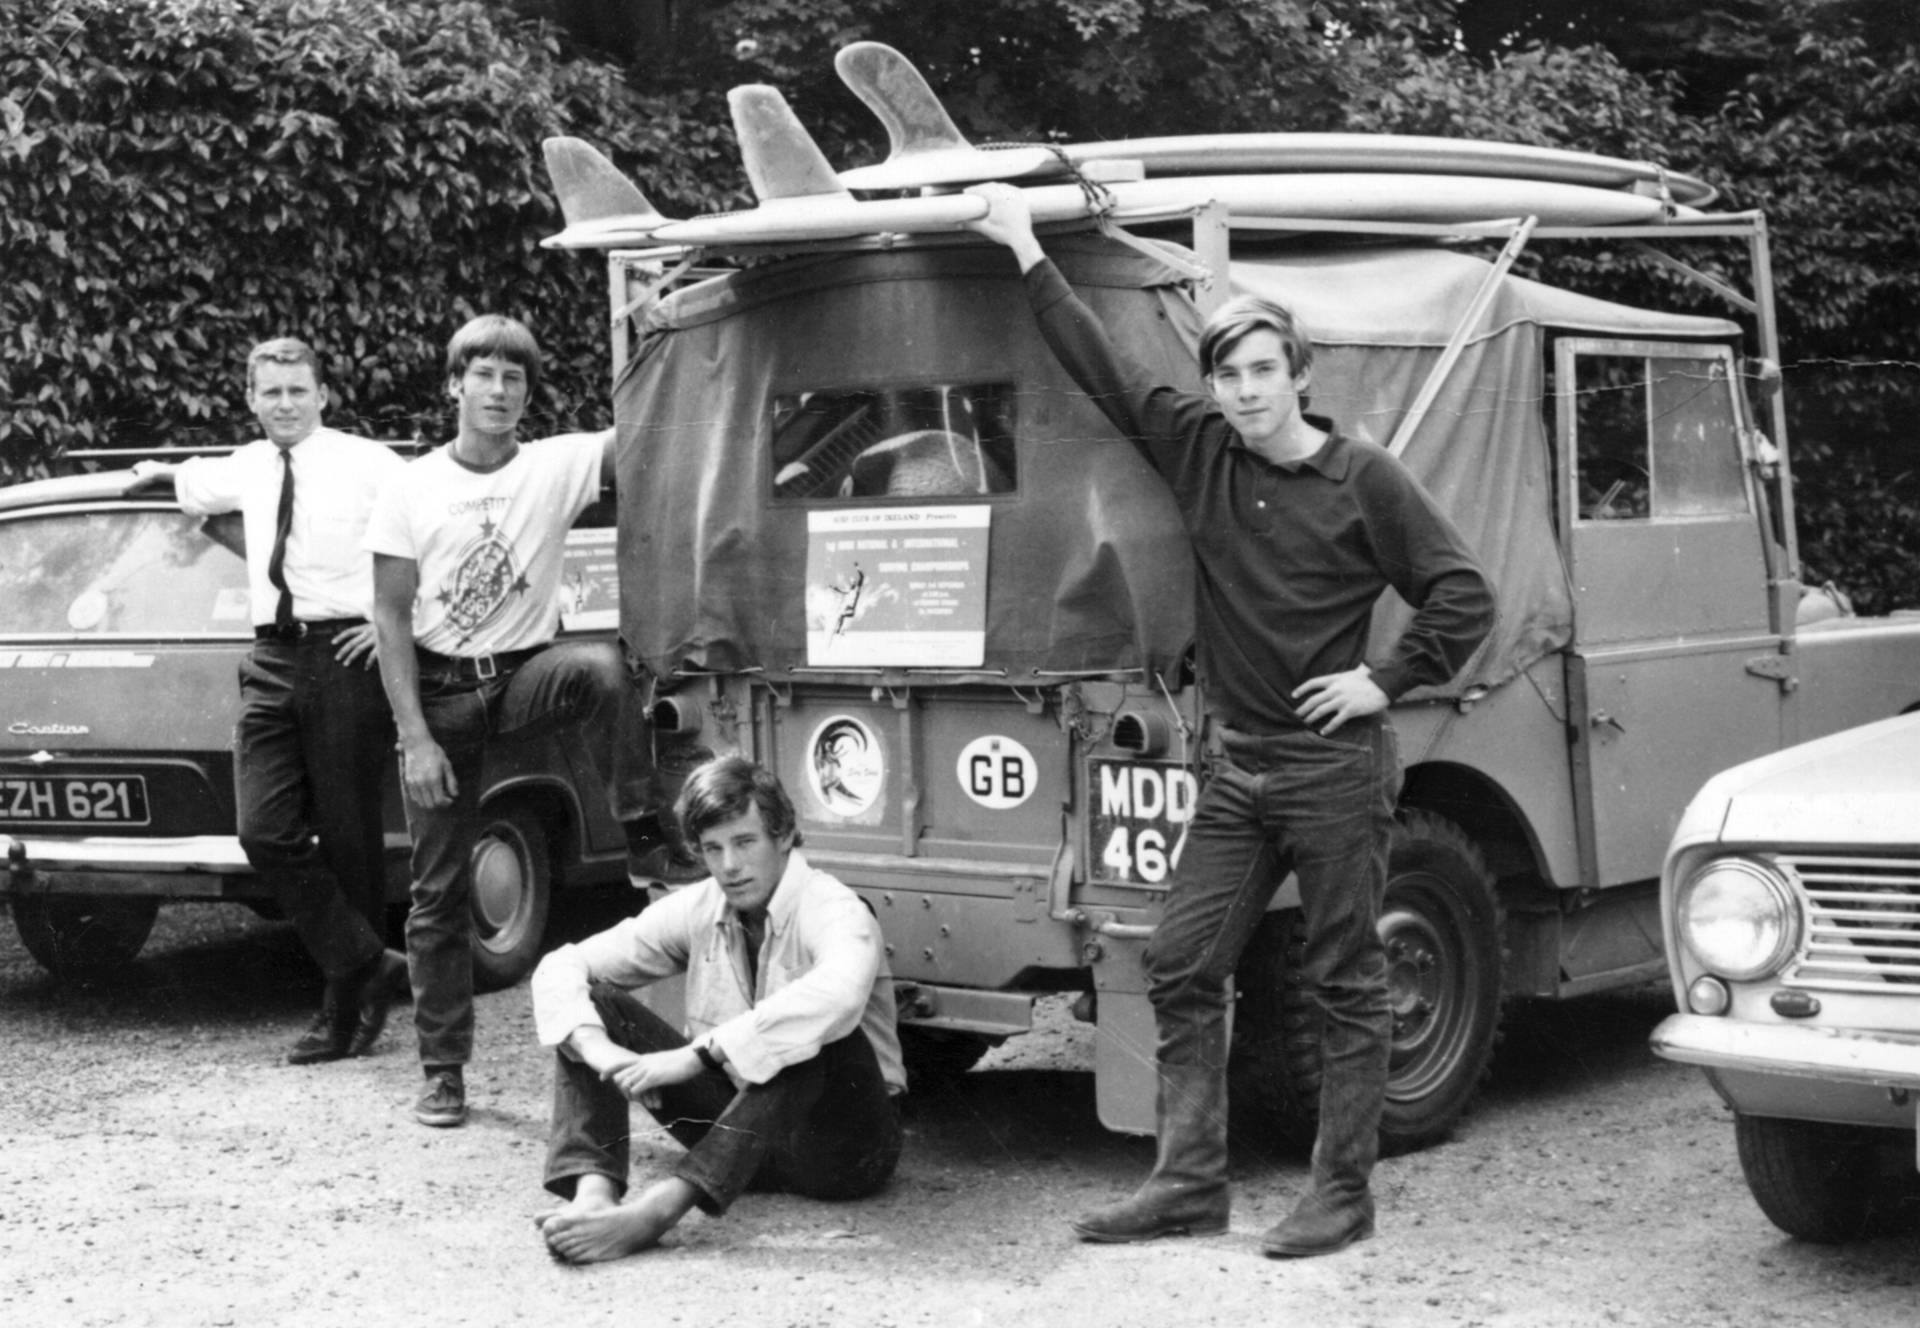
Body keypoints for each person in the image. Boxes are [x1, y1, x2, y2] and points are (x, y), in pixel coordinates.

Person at [964, 186, 1497, 1258]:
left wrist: (1384, 682)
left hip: (1336, 768)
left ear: (1300, 374)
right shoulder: (1202, 448)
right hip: (1237, 767)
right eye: (1228, 372)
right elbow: (1104, 365)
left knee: (1344, 979)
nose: (1246, 390)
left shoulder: (1365, 479)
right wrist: (1022, 243)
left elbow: (1463, 595)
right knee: (1180, 957)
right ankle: (1190, 1180)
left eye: (1264, 370)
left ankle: (1341, 1193)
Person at [364, 314, 659, 1129]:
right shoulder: (411, 485)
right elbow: (389, 616)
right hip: (444, 692)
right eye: (483, 376)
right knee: (438, 889)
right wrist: (414, 736)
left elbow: (651, 418)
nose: (498, 392)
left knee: (602, 667)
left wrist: (669, 330)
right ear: (455, 385)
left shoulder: (556, 464)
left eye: (514, 379)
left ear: (529, 393)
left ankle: (642, 827)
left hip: (529, 674)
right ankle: (444, 1071)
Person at [132, 338, 409, 1065]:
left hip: (346, 655)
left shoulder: (369, 464)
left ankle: (342, 1017)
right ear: (250, 400)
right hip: (271, 657)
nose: (285, 404)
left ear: (323, 395)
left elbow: (435, 535)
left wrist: (392, 630)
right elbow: (193, 481)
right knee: (263, 827)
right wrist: (159, 471)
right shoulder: (247, 466)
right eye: (270, 393)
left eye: (297, 390)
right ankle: (370, 961)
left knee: (351, 842)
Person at [529, 755, 904, 1264]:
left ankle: (662, 1209)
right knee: (592, 998)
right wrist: (599, 1051)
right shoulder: (701, 905)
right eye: (712, 848)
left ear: (785, 836)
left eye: (745, 842)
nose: (729, 865)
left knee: (813, 1034)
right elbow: (562, 966)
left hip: (842, 1152)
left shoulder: (833, 907)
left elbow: (837, 994)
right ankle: (594, 1192)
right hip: (739, 1137)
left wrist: (695, 1056)